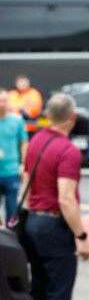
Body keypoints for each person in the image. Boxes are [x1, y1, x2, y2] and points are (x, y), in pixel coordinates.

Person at [23, 93, 89, 300]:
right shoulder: (67, 150)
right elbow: (66, 199)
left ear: (47, 115)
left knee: (38, 294)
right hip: (54, 228)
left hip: (33, 223)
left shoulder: (37, 140)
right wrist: (82, 237)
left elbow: (26, 179)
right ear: (72, 118)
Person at [0, 87, 28, 224]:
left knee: (12, 210)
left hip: (12, 170)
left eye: (4, 101)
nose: (1, 104)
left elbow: (24, 142)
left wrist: (23, 164)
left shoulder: (17, 121)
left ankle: (10, 240)